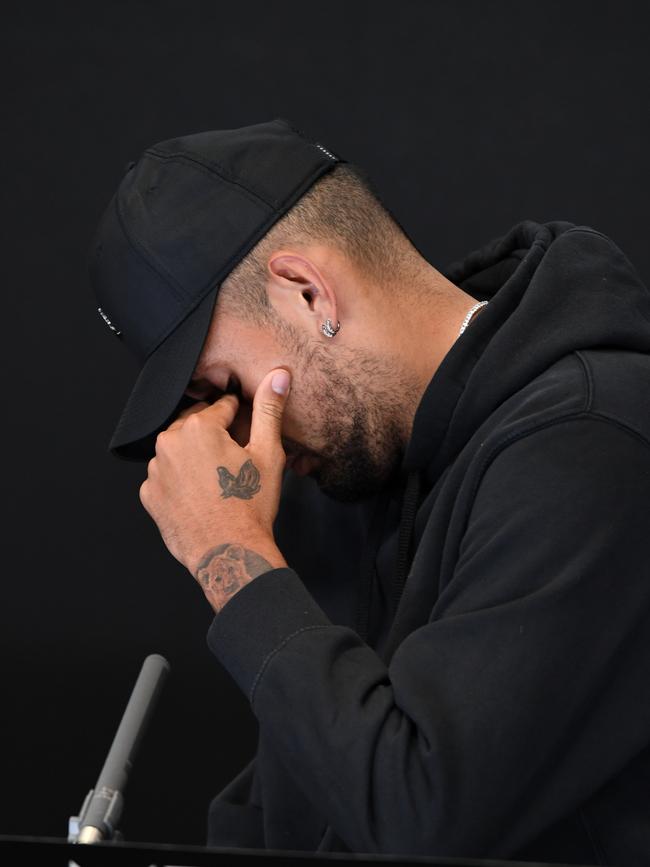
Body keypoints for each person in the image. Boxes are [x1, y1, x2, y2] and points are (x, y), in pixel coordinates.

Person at [89, 118, 650, 866]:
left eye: (222, 388)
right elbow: (286, 811)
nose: (240, 438)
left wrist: (230, 551)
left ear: (307, 292)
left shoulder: (589, 440)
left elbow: (420, 815)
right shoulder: (364, 472)